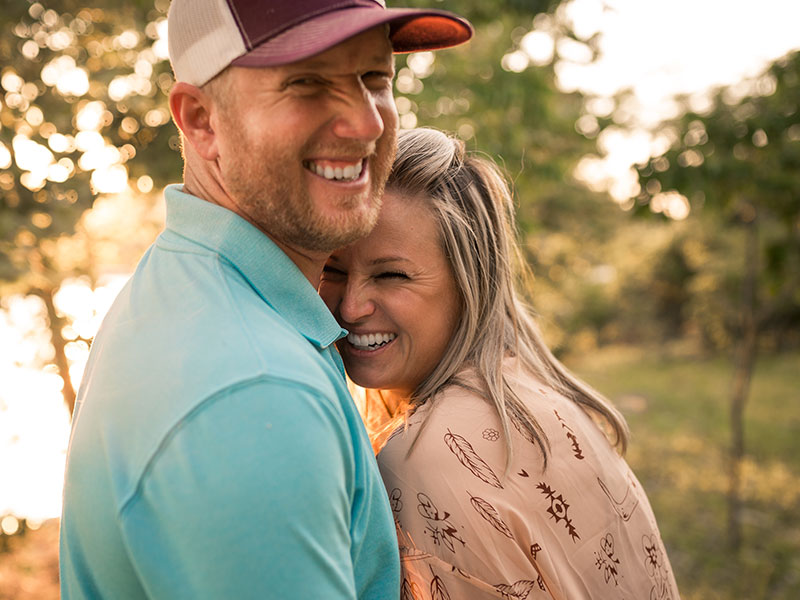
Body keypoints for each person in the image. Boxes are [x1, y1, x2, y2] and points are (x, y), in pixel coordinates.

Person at [59, 3, 472, 598]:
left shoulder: (190, 285)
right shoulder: (254, 393)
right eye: (307, 83)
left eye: (374, 79)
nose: (366, 123)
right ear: (201, 120)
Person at [319, 127, 681, 599]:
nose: (350, 307)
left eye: (392, 275)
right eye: (334, 269)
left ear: (469, 282)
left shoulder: (425, 457)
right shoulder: (534, 391)